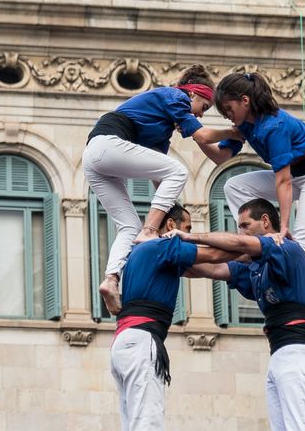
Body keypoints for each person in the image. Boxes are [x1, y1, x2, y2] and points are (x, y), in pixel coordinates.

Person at [180, 198, 305, 431]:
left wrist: (189, 235)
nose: (242, 232)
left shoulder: (286, 248)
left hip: (298, 351)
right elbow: (209, 268)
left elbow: (239, 245)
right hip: (281, 353)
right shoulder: (256, 268)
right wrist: (167, 253)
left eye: (246, 225)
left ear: (266, 223)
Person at [83, 65, 237, 314]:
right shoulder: (175, 96)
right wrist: (233, 131)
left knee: (128, 226)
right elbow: (201, 135)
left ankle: (111, 279)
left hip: (95, 159)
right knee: (179, 171)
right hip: (106, 145)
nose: (199, 115)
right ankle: (149, 229)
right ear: (193, 94)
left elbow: (160, 179)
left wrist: (175, 212)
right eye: (203, 108)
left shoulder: (161, 130)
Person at [111, 204, 239, 431]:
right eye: (187, 228)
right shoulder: (162, 247)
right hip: (141, 341)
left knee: (133, 428)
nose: (188, 233)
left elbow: (210, 268)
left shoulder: (141, 253)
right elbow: (214, 254)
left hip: (126, 341)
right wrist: (258, 246)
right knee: (148, 426)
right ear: (171, 226)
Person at [212, 71, 305, 331]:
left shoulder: (274, 127)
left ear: (245, 100)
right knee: (234, 185)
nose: (226, 115)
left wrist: (283, 227)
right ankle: (251, 242)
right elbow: (220, 156)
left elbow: (283, 181)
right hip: (295, 175)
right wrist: (197, 133)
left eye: (228, 108)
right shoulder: (245, 125)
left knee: (304, 238)